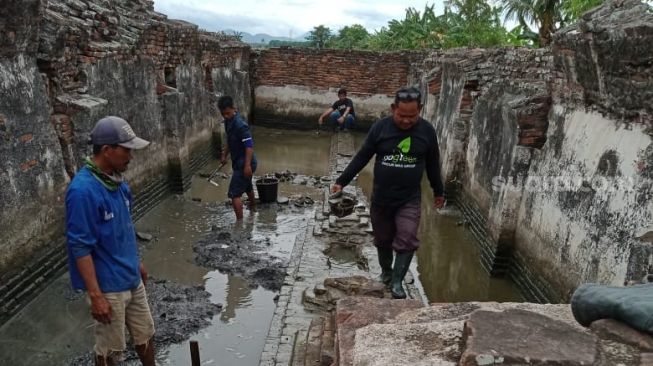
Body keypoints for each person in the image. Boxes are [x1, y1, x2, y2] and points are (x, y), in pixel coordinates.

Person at [331, 87, 445, 299]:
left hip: (409, 199)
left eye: (412, 116)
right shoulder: (380, 128)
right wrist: (342, 181)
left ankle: (397, 282)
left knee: (408, 237)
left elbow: (432, 165)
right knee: (383, 240)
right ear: (393, 108)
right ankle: (386, 272)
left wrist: (439, 191)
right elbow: (363, 156)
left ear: (420, 109)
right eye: (402, 115)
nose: (406, 121)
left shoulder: (427, 131)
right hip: (382, 197)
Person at [65, 116, 155, 366]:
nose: (130, 157)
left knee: (145, 332)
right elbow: (80, 247)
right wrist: (96, 296)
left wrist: (137, 262)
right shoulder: (83, 191)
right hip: (108, 286)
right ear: (107, 150)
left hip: (130, 276)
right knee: (110, 349)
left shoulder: (118, 182)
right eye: (126, 151)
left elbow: (124, 227)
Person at [218, 95, 257, 220]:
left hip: (246, 162)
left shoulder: (241, 125)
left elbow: (249, 146)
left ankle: (239, 225)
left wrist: (247, 166)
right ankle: (253, 210)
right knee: (247, 186)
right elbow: (230, 141)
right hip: (239, 162)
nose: (225, 116)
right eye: (223, 114)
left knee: (234, 194)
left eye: (228, 113)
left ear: (234, 109)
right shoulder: (228, 123)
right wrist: (224, 155)